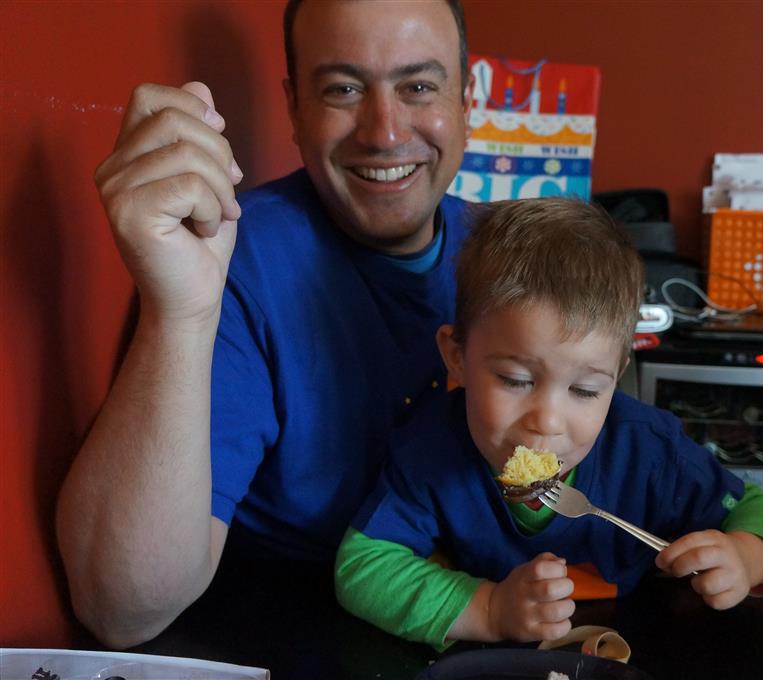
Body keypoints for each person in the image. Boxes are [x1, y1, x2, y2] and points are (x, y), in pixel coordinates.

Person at [56, 0, 474, 649]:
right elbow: (121, 610)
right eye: (343, 89)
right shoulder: (231, 257)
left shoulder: (509, 257)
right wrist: (181, 311)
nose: (385, 132)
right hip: (301, 636)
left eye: (418, 86)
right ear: (295, 109)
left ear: (467, 101)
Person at [335, 197, 763, 650]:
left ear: (616, 375)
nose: (547, 421)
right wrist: (489, 609)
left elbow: (758, 509)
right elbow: (362, 566)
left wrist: (745, 556)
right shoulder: (430, 450)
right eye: (515, 380)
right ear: (457, 356)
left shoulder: (647, 450)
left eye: (586, 390)